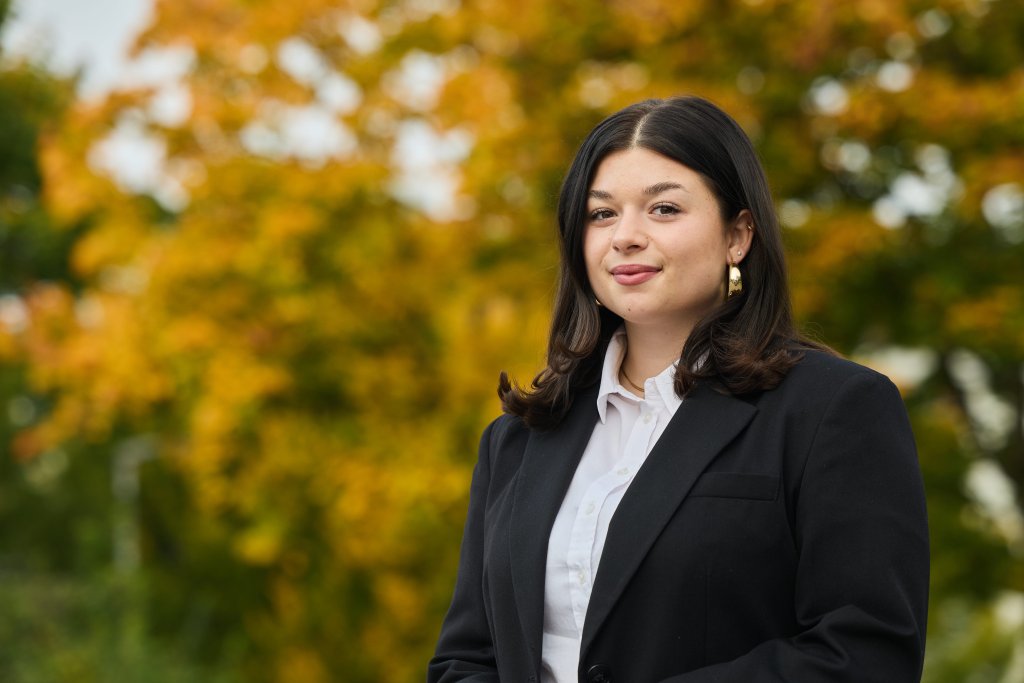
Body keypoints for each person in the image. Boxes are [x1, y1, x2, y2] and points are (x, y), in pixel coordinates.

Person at [428, 96, 929, 683]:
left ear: (738, 236)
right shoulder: (517, 438)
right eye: (601, 214)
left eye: (664, 209)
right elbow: (466, 659)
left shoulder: (833, 410)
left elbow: (866, 654)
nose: (626, 237)